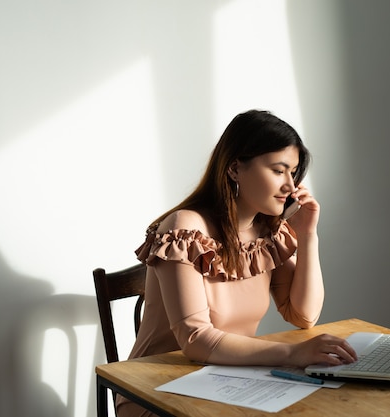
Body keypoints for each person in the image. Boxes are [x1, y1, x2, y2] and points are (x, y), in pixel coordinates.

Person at [117, 110, 357, 417]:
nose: (289, 186)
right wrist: (292, 353)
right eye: (278, 170)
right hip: (156, 391)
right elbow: (196, 340)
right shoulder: (185, 229)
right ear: (234, 168)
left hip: (229, 380)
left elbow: (303, 315)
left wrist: (307, 234)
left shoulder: (268, 233)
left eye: (293, 173)